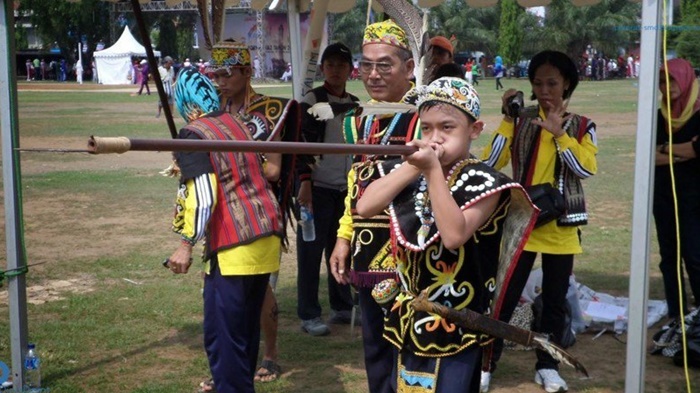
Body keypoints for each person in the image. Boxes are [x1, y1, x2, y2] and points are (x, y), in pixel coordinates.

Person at [356, 76, 535, 393]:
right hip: (410, 320)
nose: (434, 138)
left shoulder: (485, 181)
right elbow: (366, 206)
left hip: (458, 326)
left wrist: (433, 171)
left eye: (447, 128)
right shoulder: (414, 171)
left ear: (475, 130)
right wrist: (413, 167)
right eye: (426, 128)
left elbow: (453, 235)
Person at [480, 50, 598, 393]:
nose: (545, 90)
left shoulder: (582, 125)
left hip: (560, 228)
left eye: (552, 83)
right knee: (503, 299)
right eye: (538, 83)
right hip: (521, 223)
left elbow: (585, 169)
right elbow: (490, 161)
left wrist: (560, 134)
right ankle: (489, 363)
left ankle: (547, 365)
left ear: (567, 86)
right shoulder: (522, 120)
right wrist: (507, 117)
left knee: (555, 303)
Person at [168, 67, 282, 393]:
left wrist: (185, 245)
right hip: (265, 234)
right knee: (244, 332)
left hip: (234, 244)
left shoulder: (193, 133)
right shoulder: (239, 123)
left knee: (223, 337)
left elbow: (204, 193)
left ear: (186, 105)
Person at [328, 19, 421, 393]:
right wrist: (343, 236)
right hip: (369, 248)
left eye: (385, 64)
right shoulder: (360, 118)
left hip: (416, 249)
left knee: (417, 343)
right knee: (376, 346)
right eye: (366, 65)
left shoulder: (428, 115)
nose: (373, 74)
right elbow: (356, 180)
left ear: (409, 67)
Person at [202, 39, 301, 388]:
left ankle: (269, 355)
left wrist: (232, 162)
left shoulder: (270, 111)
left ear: (247, 71)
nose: (221, 81)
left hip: (257, 215)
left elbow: (273, 170)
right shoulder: (210, 113)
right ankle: (228, 371)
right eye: (216, 74)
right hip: (220, 214)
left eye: (227, 74)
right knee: (222, 304)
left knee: (257, 296)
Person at [296, 42, 358, 336]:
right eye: (330, 65)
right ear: (323, 69)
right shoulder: (312, 99)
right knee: (310, 252)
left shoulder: (357, 103)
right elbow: (301, 144)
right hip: (316, 188)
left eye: (341, 65)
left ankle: (342, 305)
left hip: (344, 190)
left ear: (350, 70)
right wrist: (304, 182)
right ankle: (309, 314)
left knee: (341, 249)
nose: (336, 70)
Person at [654, 58, 700, 326]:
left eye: (671, 79)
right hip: (663, 195)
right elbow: (649, 158)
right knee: (668, 258)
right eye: (662, 81)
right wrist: (684, 152)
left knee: (694, 256)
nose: (666, 86)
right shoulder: (657, 115)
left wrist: (664, 149)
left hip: (693, 196)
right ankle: (676, 315)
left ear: (685, 79)